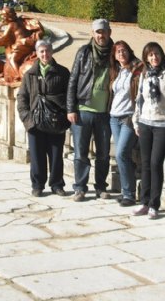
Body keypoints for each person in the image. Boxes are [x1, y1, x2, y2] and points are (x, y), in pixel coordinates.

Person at [132, 42, 165, 220]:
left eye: (157, 54)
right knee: (145, 163)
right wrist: (136, 121)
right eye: (150, 55)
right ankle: (144, 202)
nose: (154, 58)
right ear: (146, 57)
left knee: (155, 162)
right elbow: (139, 99)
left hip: (164, 122)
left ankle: (154, 204)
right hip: (145, 121)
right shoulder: (144, 74)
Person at [66, 18, 114, 201]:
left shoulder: (114, 53)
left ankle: (101, 187)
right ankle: (80, 187)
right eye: (98, 32)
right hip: (83, 109)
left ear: (109, 32)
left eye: (104, 31)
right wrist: (71, 108)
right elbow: (73, 81)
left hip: (104, 112)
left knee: (103, 154)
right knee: (80, 152)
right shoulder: (84, 52)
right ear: (93, 33)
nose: (101, 35)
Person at [16, 39, 70, 197]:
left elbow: (70, 96)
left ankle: (57, 184)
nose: (45, 54)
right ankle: (37, 185)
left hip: (55, 121)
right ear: (37, 53)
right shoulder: (30, 74)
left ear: (52, 52)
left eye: (47, 50)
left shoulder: (62, 72)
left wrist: (63, 116)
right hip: (35, 121)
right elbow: (22, 97)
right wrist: (27, 119)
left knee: (56, 155)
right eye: (42, 51)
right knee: (37, 156)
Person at [109, 41, 143, 207]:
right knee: (123, 155)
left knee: (121, 153)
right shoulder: (117, 71)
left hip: (129, 117)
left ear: (129, 51)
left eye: (124, 50)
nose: (121, 54)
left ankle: (129, 194)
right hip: (114, 117)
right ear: (114, 56)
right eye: (118, 52)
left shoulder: (137, 69)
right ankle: (126, 190)